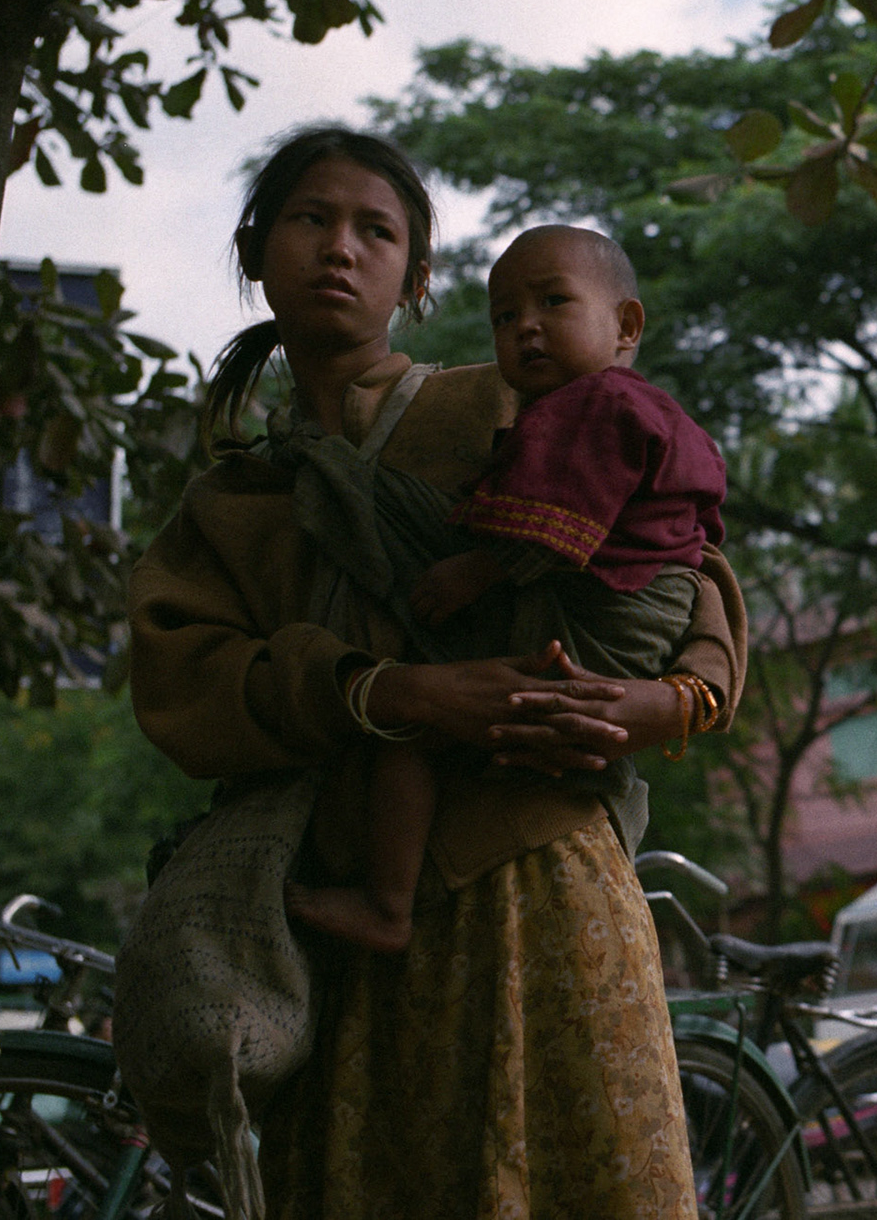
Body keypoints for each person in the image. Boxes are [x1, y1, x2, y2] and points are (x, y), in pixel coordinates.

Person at [127, 126, 746, 1218]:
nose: (339, 249)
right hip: (343, 920)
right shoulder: (232, 503)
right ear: (254, 248)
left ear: (415, 280)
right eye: (311, 219)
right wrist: (386, 690)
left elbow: (688, 567)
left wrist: (671, 699)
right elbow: (189, 683)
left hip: (544, 883)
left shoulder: (511, 411)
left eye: (377, 231)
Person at [287, 223, 726, 953]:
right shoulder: (625, 408)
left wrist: (474, 571)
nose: (525, 328)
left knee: (421, 729)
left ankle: (386, 905)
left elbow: (560, 528)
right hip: (636, 607)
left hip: (610, 611)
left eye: (552, 302)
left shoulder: (593, 407)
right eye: (503, 316)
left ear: (626, 325)